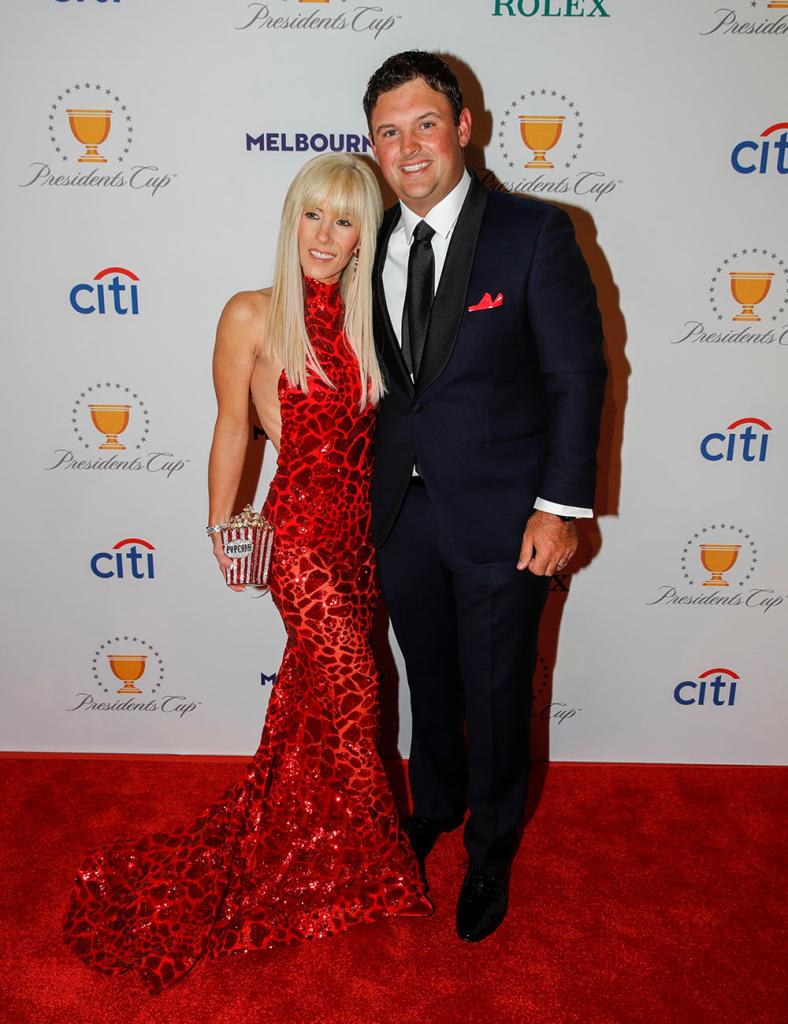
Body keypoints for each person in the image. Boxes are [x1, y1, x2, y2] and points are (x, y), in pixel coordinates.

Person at [62, 153, 431, 995]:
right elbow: (234, 429)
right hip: (297, 538)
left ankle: (299, 839)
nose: (327, 236)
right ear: (290, 219)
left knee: (312, 705)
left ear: (365, 234)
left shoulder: (378, 320)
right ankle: (365, 869)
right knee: (354, 692)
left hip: (362, 542)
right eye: (314, 215)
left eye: (346, 221)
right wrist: (223, 526)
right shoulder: (254, 314)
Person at [364, 52, 607, 943]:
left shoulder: (534, 231)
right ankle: (436, 805)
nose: (409, 145)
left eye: (424, 123)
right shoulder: (368, 238)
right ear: (374, 147)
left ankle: (493, 850)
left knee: (499, 693)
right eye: (389, 132)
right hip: (402, 512)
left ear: (464, 126)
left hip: (509, 515)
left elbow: (578, 377)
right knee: (427, 675)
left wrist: (562, 507)